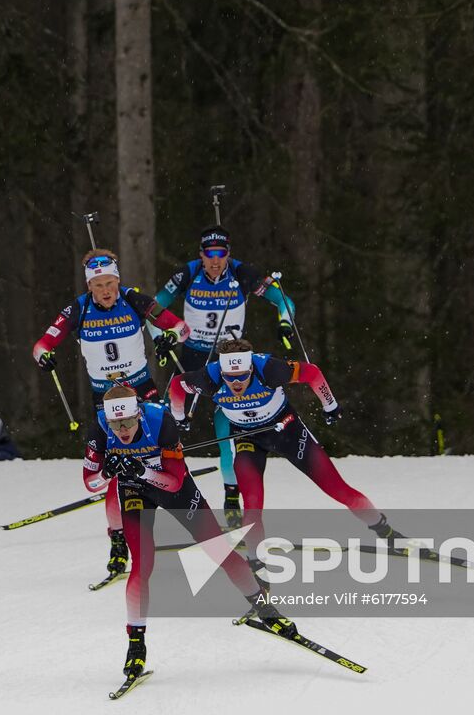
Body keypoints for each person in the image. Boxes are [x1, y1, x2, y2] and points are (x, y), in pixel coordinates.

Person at [83, 384, 296, 680]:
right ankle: (136, 644)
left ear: (138, 414)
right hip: (133, 491)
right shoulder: (99, 427)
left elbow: (174, 480)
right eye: (116, 424)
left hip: (173, 488)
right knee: (142, 566)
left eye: (129, 422)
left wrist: (142, 470)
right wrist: (108, 472)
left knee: (218, 549)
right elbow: (90, 483)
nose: (123, 430)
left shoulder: (160, 420)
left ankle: (265, 610)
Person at [168, 338, 402, 566]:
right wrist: (179, 416)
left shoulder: (268, 369)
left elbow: (311, 372)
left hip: (287, 430)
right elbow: (178, 385)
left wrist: (330, 406)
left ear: (250, 368)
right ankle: (256, 564)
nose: (236, 383)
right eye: (230, 378)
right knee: (252, 505)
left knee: (337, 488)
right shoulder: (209, 377)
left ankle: (387, 532)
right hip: (247, 438)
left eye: (242, 376)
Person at [31, 248, 191, 578]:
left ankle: (183, 514)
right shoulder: (78, 308)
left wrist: (169, 338)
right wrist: (44, 355)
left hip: (141, 389)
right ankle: (118, 541)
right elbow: (42, 344)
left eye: (110, 282)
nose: (106, 290)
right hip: (105, 398)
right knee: (116, 469)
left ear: (118, 280)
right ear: (90, 286)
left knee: (161, 453)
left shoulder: (134, 300)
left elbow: (181, 327)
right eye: (98, 284)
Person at [150, 225, 298, 524]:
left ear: (228, 254)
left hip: (230, 359)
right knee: (165, 423)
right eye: (209, 254)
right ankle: (150, 487)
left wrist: (284, 322)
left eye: (221, 254)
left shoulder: (243, 273)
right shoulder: (187, 274)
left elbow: (283, 299)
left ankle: (231, 496)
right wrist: (160, 339)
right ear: (200, 255)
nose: (216, 261)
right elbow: (153, 310)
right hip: (191, 357)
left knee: (225, 431)